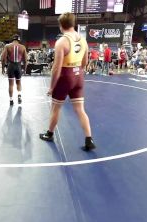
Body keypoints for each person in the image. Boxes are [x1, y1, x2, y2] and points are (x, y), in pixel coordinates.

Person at [39, 12, 96, 151]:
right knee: (80, 110)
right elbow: (85, 62)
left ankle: (50, 134)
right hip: (78, 76)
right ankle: (89, 140)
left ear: (60, 26)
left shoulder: (62, 42)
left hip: (65, 77)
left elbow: (56, 68)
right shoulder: (83, 40)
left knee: (55, 107)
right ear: (73, 24)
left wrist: (52, 87)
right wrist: (77, 72)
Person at [1, 34, 28, 106]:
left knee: (10, 85)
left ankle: (11, 100)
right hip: (18, 66)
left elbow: (3, 58)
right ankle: (19, 95)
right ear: (19, 40)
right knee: (18, 83)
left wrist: (3, 68)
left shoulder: (7, 46)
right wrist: (25, 69)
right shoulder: (23, 47)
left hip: (11, 66)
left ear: (12, 39)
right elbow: (25, 60)